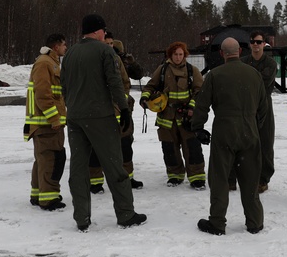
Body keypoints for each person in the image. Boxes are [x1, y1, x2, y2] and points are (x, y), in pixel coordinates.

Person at [60, 13, 146, 232]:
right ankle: (126, 213)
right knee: (114, 165)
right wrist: (124, 108)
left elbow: (64, 87)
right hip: (99, 116)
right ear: (99, 31)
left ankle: (81, 217)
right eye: (104, 31)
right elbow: (114, 82)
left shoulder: (69, 54)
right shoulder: (105, 51)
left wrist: (73, 107)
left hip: (75, 117)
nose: (105, 34)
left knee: (79, 169)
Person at [191, 37, 267, 235]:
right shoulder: (254, 74)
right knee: (250, 180)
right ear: (240, 52)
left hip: (224, 130)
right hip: (249, 131)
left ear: (222, 54)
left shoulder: (215, 75)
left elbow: (202, 105)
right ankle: (255, 221)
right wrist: (253, 125)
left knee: (220, 179)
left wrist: (198, 128)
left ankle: (217, 222)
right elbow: (263, 108)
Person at [140, 41, 206, 189]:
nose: (178, 57)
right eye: (175, 54)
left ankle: (197, 177)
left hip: (187, 117)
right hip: (166, 117)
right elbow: (150, 86)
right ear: (170, 55)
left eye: (180, 54)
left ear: (185, 55)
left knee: (192, 148)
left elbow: (200, 92)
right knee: (170, 149)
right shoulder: (162, 70)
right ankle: (175, 175)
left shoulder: (192, 70)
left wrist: (192, 107)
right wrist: (145, 97)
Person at [88, 31, 143, 193]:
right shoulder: (92, 60)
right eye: (107, 43)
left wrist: (121, 103)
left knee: (125, 145)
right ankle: (95, 181)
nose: (110, 46)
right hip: (99, 112)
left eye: (112, 44)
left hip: (120, 111)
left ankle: (127, 177)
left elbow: (125, 83)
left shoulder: (118, 60)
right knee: (96, 146)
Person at [24, 33, 68, 211]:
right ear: (56, 46)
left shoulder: (50, 62)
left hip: (46, 123)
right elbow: (43, 94)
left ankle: (38, 194)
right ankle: (49, 199)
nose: (66, 48)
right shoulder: (45, 63)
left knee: (43, 160)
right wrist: (54, 118)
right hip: (47, 124)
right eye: (64, 45)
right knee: (50, 160)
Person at [240, 30, 277, 193]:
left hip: (263, 105)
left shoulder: (270, 63)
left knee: (265, 142)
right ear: (250, 44)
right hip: (245, 106)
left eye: (259, 42)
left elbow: (263, 84)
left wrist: (248, 82)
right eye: (253, 42)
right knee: (244, 142)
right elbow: (240, 84)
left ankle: (263, 178)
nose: (256, 44)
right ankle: (244, 175)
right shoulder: (242, 62)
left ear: (264, 44)